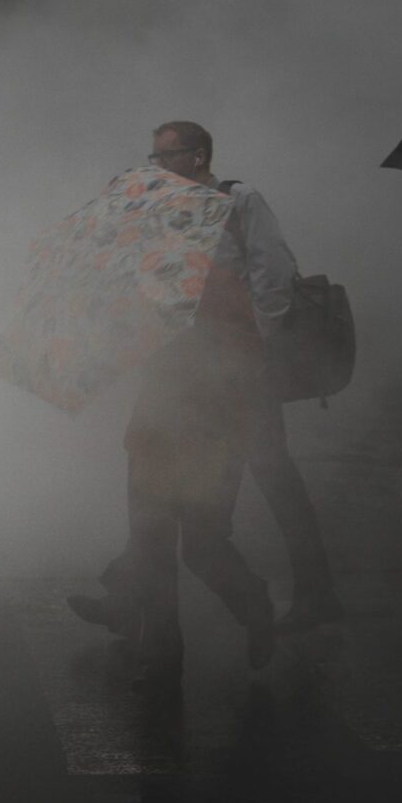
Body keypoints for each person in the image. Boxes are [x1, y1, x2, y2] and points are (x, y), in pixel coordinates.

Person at [69, 121, 340, 636]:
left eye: (167, 155)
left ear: (198, 157)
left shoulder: (240, 201)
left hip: (243, 368)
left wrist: (255, 343)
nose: (159, 165)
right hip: (198, 368)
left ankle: (317, 594)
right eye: (154, 157)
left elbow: (273, 272)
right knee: (159, 476)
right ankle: (129, 597)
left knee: (275, 478)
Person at [119, 210, 279, 685]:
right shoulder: (144, 285)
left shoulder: (218, 283)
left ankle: (255, 607)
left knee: (202, 546)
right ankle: (163, 654)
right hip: (154, 429)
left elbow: (242, 354)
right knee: (151, 543)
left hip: (208, 431)